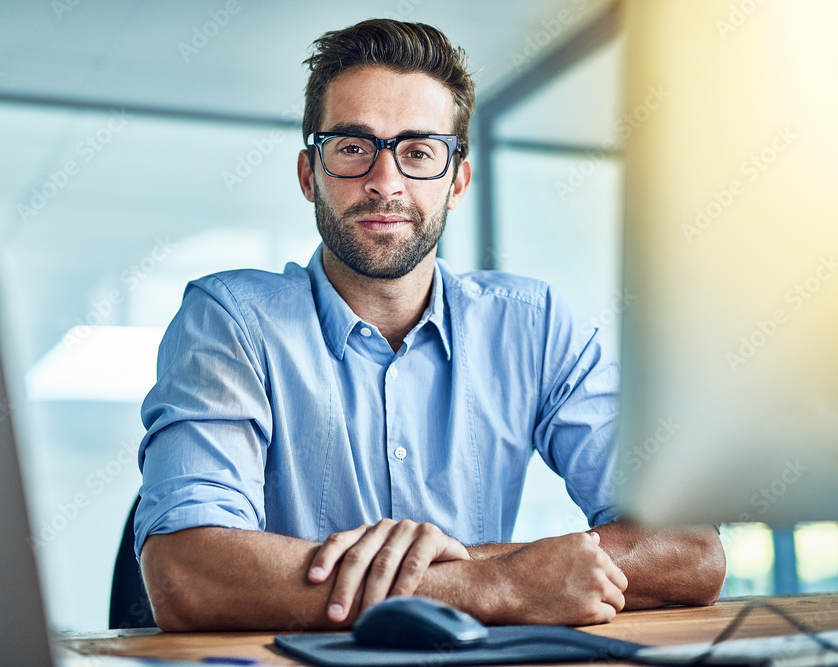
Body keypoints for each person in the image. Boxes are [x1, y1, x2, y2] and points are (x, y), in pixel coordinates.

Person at [134, 18, 725, 632]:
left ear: (458, 181)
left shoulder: (536, 325)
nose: (384, 182)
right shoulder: (230, 320)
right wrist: (491, 584)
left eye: (419, 152)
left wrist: (456, 574)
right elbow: (187, 573)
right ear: (310, 175)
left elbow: (690, 551)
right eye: (353, 147)